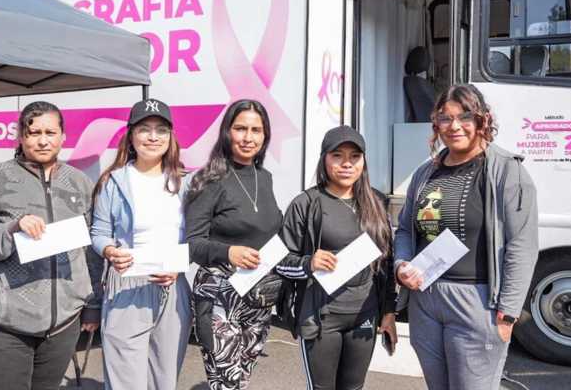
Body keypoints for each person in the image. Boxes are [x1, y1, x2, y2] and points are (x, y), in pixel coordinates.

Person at [394, 84, 538, 390]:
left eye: (464, 117)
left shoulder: (505, 171)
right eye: (445, 118)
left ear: (482, 119)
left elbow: (522, 245)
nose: (454, 126)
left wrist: (508, 313)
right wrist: (401, 265)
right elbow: (406, 229)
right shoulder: (425, 172)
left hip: (477, 302)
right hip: (426, 300)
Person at [0, 101, 102, 390]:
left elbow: (90, 251)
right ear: (21, 136)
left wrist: (92, 304)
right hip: (3, 322)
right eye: (34, 133)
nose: (43, 140)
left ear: (63, 136)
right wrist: (11, 228)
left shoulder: (80, 183)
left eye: (50, 132)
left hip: (63, 322)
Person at [276, 125, 397, 390]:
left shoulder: (377, 202)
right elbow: (279, 262)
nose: (347, 164)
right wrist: (308, 263)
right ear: (324, 159)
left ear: (363, 161)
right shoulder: (306, 203)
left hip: (364, 315)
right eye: (337, 155)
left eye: (355, 156)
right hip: (322, 318)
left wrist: (388, 311)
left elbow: (386, 264)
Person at [91, 98, 192, 390]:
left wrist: (178, 266)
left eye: (161, 130)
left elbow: (196, 237)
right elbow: (99, 232)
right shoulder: (113, 181)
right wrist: (109, 250)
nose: (153, 137)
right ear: (131, 136)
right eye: (144, 129)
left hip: (173, 287)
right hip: (127, 285)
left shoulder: (185, 182)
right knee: (126, 382)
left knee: (164, 380)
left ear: (170, 136)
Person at [185, 99, 283, 390]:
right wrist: (228, 252)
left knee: (243, 380)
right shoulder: (209, 180)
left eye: (256, 130)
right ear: (227, 131)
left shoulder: (265, 178)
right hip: (219, 295)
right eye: (240, 128)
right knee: (226, 382)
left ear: (265, 135)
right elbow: (191, 244)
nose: (248, 137)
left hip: (258, 298)